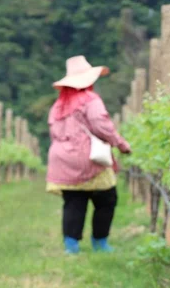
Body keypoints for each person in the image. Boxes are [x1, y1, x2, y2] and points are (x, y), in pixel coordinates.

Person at [46, 56, 131, 254]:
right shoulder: (90, 100)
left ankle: (71, 246)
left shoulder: (58, 105)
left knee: (73, 200)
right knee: (106, 198)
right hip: (87, 157)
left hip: (61, 158)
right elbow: (102, 127)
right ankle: (100, 242)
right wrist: (120, 144)